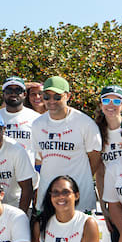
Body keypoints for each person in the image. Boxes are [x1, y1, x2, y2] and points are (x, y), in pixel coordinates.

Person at [33, 76, 102, 212]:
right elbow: (40, 159)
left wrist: (79, 179)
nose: (51, 101)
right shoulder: (37, 124)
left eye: (57, 97)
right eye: (47, 96)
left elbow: (95, 158)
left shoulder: (85, 123)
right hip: (48, 199)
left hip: (80, 201)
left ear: (68, 96)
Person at [93, 84, 122, 202]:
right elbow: (100, 173)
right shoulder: (95, 132)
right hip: (113, 197)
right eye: (106, 100)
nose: (111, 105)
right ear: (101, 104)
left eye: (116, 101)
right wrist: (103, 205)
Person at [0, 76, 41, 169]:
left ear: (24, 94)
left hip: (27, 177)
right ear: (3, 94)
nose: (13, 94)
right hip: (0, 176)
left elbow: (40, 155)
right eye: (9, 90)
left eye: (18, 90)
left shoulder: (36, 118)